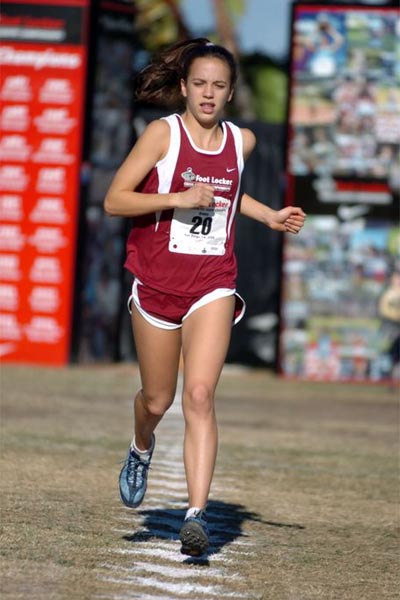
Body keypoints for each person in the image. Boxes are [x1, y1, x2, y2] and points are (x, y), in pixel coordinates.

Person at [104, 38, 306, 557]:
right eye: (199, 84)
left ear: (231, 92)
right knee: (157, 399)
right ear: (184, 88)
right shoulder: (161, 135)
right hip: (156, 282)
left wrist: (269, 216)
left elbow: (231, 194)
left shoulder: (243, 142)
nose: (208, 94)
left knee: (198, 395)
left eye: (218, 85)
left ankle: (196, 516)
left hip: (213, 281)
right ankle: (140, 445)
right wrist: (177, 197)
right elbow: (114, 200)